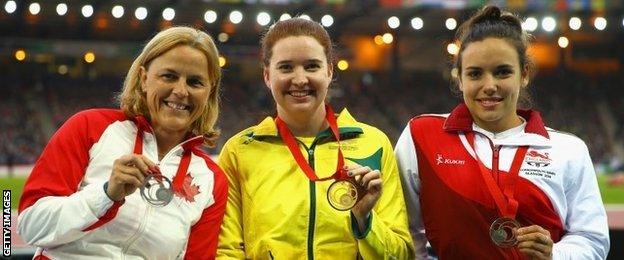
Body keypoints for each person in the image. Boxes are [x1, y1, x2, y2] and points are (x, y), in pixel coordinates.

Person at [395, 5, 610, 259]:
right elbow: (405, 230)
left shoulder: (568, 150)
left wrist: (556, 254)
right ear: (460, 79)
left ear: (524, 74)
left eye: (502, 72)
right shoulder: (421, 135)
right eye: (475, 74)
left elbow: (593, 241)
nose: (489, 86)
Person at [17, 26, 228, 259]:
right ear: (144, 79)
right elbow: (30, 226)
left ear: (209, 92)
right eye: (169, 76)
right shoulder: (89, 127)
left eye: (195, 82)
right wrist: (106, 195)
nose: (180, 90)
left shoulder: (212, 180)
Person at [217, 18, 413, 259]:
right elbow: (226, 252)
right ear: (267, 75)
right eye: (286, 67)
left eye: (312, 66)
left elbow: (402, 254)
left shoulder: (374, 144)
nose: (300, 79)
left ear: (329, 71)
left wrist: (365, 221)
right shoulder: (240, 150)